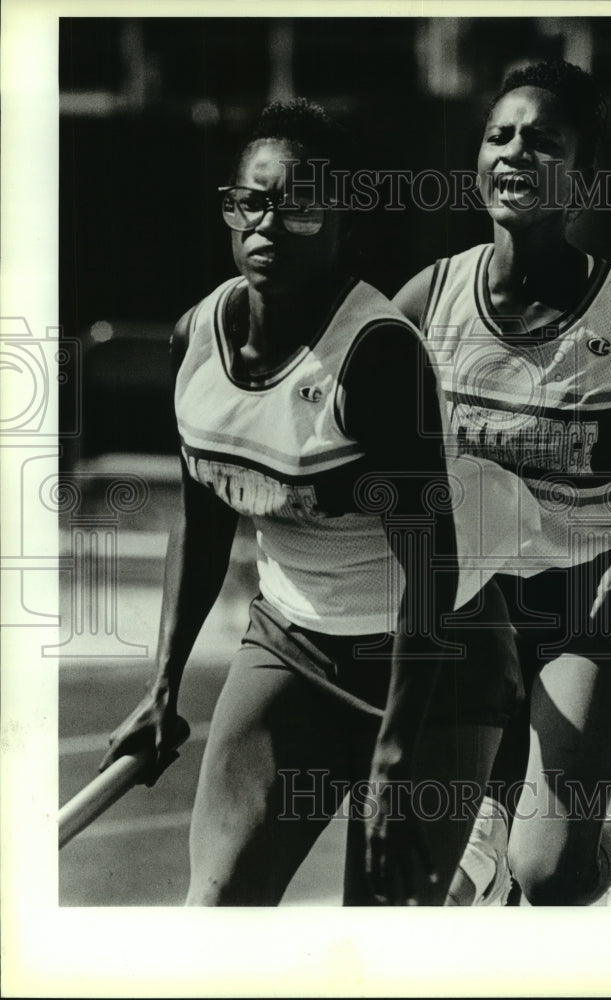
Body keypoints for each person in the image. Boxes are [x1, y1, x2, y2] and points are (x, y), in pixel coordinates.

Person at [99, 99, 523, 906]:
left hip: (433, 666)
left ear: (343, 216)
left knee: (384, 931)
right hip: (292, 648)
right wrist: (162, 687)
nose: (267, 223)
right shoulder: (198, 336)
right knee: (217, 911)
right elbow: (202, 522)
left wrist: (394, 761)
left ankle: (477, 882)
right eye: (250, 202)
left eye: (298, 206)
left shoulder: (375, 358)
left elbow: (431, 572)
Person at [394, 60, 611, 906]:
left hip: (582, 601)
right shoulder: (430, 298)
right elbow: (352, 445)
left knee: (547, 876)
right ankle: (483, 830)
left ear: (582, 177)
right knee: (428, 872)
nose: (514, 153)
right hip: (468, 608)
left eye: (543, 142)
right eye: (499, 135)